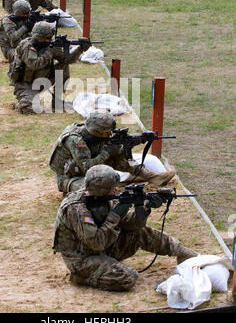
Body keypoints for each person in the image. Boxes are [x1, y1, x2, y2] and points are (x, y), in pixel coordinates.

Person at [53, 164, 198, 291]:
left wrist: (145, 207)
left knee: (139, 232)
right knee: (128, 277)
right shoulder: (77, 209)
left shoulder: (103, 198)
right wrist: (115, 215)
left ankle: (181, 252)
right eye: (112, 188)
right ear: (103, 190)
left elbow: (131, 224)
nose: (115, 191)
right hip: (82, 259)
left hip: (103, 246)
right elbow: (96, 243)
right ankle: (82, 278)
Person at [49, 111, 176, 194]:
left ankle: (152, 177)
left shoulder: (94, 135)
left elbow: (114, 152)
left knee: (117, 156)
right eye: (108, 132)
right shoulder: (76, 140)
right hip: (70, 177)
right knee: (94, 191)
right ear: (97, 131)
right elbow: (86, 166)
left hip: (88, 168)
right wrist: (106, 152)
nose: (110, 134)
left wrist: (138, 140)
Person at [9, 21, 90, 114]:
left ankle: (57, 101)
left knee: (63, 66)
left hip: (44, 80)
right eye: (49, 38)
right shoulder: (27, 46)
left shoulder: (49, 46)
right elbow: (33, 65)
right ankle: (20, 102)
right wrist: (49, 52)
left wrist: (80, 49)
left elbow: (66, 60)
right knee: (29, 109)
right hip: (26, 85)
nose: (51, 39)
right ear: (41, 38)